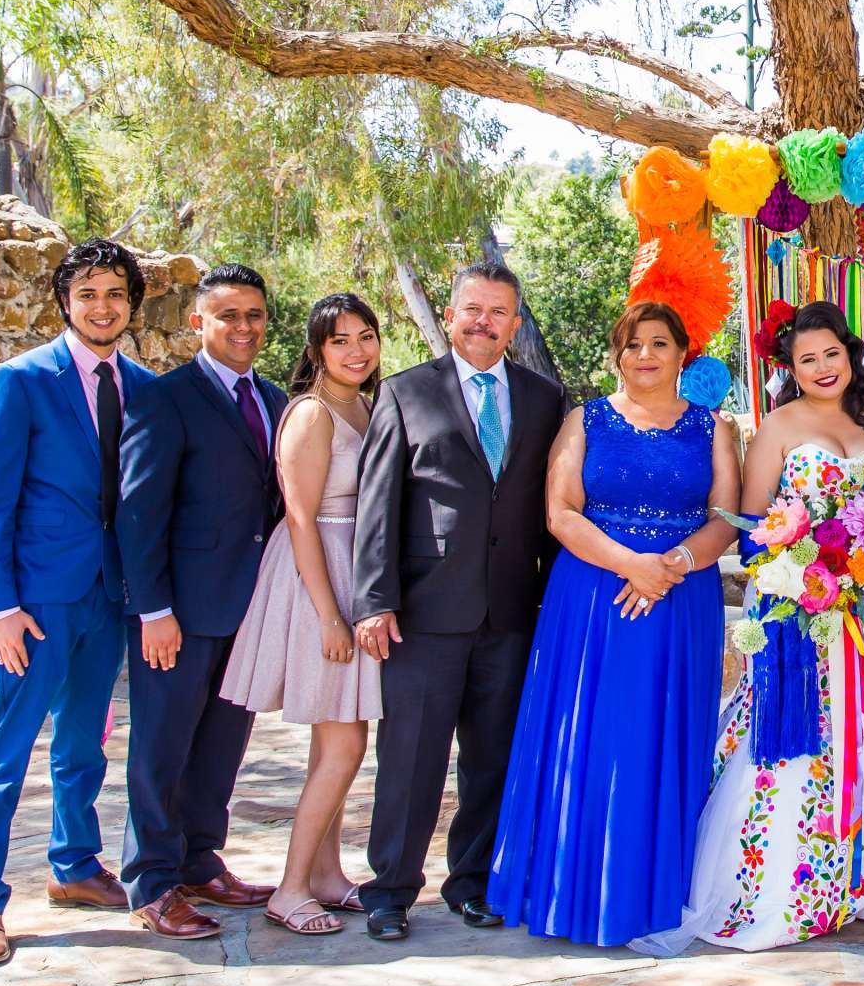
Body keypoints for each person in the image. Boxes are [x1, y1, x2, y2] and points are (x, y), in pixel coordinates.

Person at [657, 302, 864, 952]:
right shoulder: (776, 427)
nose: (822, 368)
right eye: (807, 360)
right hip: (798, 616)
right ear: (791, 368)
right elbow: (752, 532)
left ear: (848, 352)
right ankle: (783, 886)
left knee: (863, 732)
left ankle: (855, 881)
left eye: (831, 353)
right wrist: (808, 574)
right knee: (793, 742)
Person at [487, 301, 741, 946]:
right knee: (593, 735)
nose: (645, 355)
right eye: (632, 345)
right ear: (616, 355)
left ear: (684, 353)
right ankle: (573, 890)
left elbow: (725, 519)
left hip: (680, 602)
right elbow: (562, 512)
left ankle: (652, 890)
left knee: (658, 735)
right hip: (595, 596)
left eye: (659, 343)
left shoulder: (715, 428)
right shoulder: (585, 419)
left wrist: (673, 565)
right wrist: (634, 565)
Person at [351, 261, 565, 943]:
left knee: (491, 762)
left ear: (514, 321)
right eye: (472, 309)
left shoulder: (543, 398)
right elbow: (377, 506)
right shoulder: (405, 392)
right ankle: (389, 892)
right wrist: (372, 601)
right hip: (422, 614)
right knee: (410, 758)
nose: (484, 322)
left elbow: (548, 509)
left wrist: (553, 607)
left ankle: (473, 884)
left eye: (498, 312)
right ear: (449, 314)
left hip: (509, 615)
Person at [0, 240, 155, 968]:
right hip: (34, 602)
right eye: (87, 293)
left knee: (83, 746)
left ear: (131, 304)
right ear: (65, 302)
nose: (101, 306)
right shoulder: (20, 382)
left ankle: (74, 865)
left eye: (114, 294)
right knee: (5, 754)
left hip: (108, 595)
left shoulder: (143, 385)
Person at [116, 264, 286, 938]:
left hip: (246, 609)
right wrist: (153, 610)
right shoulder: (166, 399)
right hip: (178, 615)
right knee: (161, 749)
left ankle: (199, 861)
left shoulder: (274, 398)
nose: (243, 327)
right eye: (228, 316)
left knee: (221, 747)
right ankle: (152, 882)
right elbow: (138, 511)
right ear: (199, 323)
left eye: (254, 315)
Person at [220, 293, 387, 936]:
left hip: (357, 571)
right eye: (339, 340)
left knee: (340, 739)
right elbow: (299, 515)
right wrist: (328, 614)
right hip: (318, 576)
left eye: (365, 337)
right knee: (344, 741)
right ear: (317, 349)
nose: (355, 351)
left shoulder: (366, 405)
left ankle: (326, 873)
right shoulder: (312, 415)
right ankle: (289, 889)